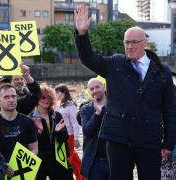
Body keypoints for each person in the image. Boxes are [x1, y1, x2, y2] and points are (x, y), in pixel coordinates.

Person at [74, 5, 176, 180]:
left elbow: (169, 110)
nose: (129, 46)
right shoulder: (115, 63)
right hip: (117, 138)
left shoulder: (162, 71)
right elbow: (88, 58)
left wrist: (168, 142)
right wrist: (82, 35)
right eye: (126, 42)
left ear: (145, 42)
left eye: (133, 42)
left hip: (149, 139)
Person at [31, 83, 73, 180]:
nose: (46, 100)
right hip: (39, 161)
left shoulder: (57, 115)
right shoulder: (30, 118)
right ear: (37, 98)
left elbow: (65, 139)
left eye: (49, 97)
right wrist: (38, 133)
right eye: (43, 97)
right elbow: (30, 143)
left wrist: (58, 132)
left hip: (57, 159)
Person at [0, 83, 38, 174]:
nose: (11, 100)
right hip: (1, 172)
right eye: (6, 97)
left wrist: (22, 167)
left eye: (13, 96)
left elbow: (34, 149)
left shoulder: (28, 122)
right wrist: (3, 166)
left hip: (23, 172)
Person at [80, 78, 109, 180]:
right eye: (91, 89)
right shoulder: (86, 109)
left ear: (104, 87)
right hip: (95, 162)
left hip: (114, 160)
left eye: (97, 87)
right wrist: (97, 113)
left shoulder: (115, 105)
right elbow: (87, 132)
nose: (95, 91)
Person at [55, 84, 83, 180]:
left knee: (69, 157)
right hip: (62, 135)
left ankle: (76, 176)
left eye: (57, 92)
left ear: (63, 93)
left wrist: (76, 138)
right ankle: (83, 177)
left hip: (69, 135)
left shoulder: (70, 105)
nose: (56, 94)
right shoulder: (60, 104)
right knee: (74, 157)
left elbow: (75, 123)